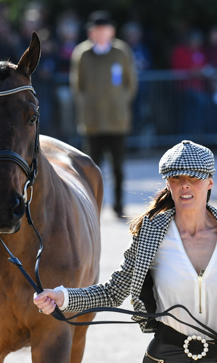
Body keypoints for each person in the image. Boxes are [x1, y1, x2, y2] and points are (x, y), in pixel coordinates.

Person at [34, 140, 217, 363]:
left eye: (194, 178)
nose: (185, 185)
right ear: (167, 184)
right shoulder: (150, 234)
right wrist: (63, 297)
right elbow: (113, 292)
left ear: (210, 182)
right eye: (176, 178)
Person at [70, 10, 137, 218]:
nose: (100, 33)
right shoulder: (82, 53)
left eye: (104, 30)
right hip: (93, 121)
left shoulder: (121, 52)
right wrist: (88, 105)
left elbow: (130, 82)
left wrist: (120, 102)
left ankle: (118, 205)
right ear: (91, 32)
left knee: (118, 167)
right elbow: (77, 85)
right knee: (91, 169)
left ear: (111, 31)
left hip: (117, 120)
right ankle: (92, 206)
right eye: (96, 30)